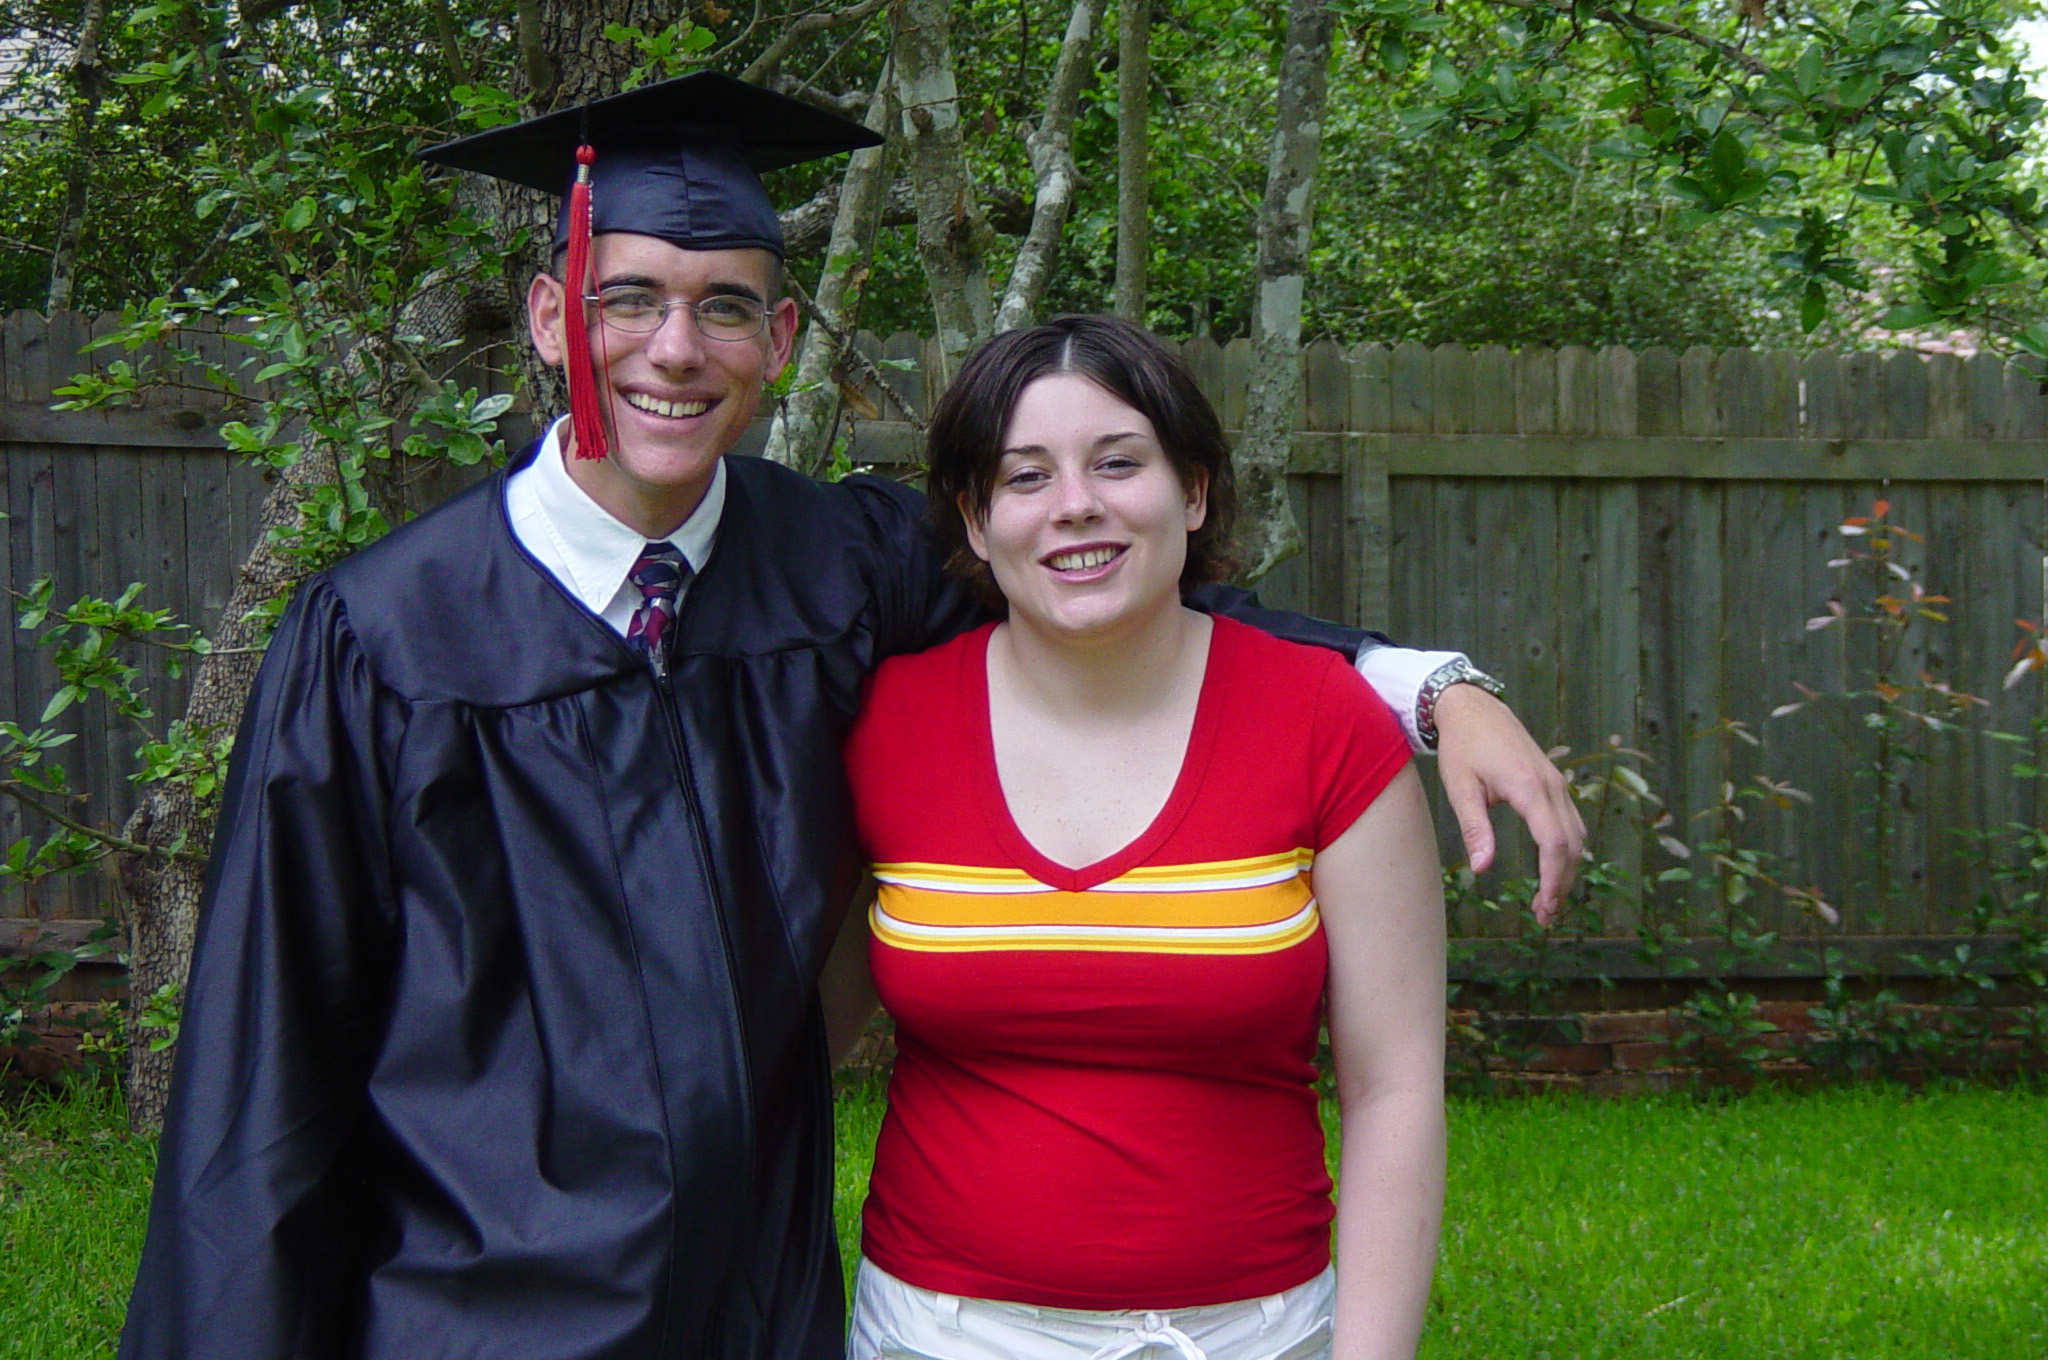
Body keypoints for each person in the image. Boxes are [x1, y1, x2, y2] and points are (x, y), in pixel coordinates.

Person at [117, 73, 1570, 1360]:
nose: (674, 348)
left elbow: (1120, 591)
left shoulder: (835, 568)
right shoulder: (384, 636)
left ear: (777, 336)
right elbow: (269, 1068)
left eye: (723, 305)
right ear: (555, 318)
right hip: (473, 1301)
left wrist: (1427, 685)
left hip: (757, 1294)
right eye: (630, 298)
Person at [837, 314, 1444, 1360]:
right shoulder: (883, 726)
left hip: (1254, 1333)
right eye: (1025, 476)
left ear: (1193, 491)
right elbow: (790, 1040)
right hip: (937, 1331)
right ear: (975, 521)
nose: (1075, 503)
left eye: (1118, 462)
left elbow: (1394, 1091)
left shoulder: (1323, 723)